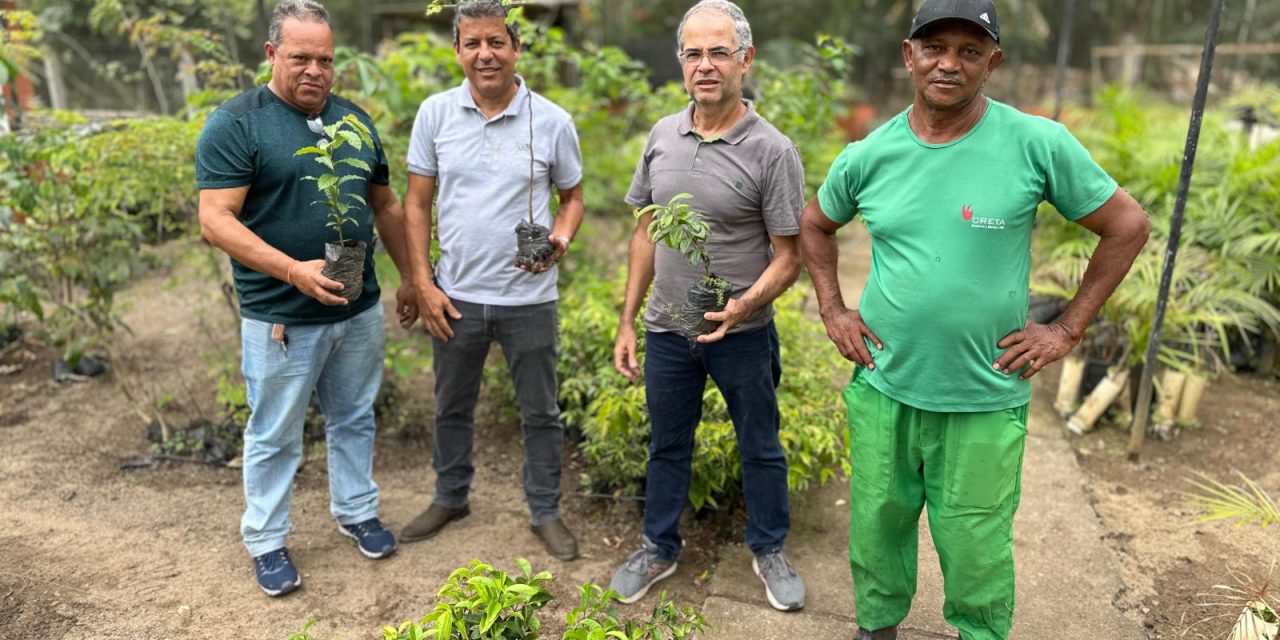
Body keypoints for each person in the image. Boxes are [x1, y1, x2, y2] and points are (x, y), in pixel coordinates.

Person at [798, 1, 1151, 638]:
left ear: (994, 61)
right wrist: (832, 309)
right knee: (877, 526)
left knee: (977, 544)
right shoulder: (869, 154)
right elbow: (815, 225)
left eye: (969, 50)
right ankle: (876, 626)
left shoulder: (1035, 142)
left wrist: (1067, 327)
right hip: (885, 382)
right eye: (935, 47)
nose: (949, 63)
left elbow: (1127, 224)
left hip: (984, 392)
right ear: (909, 56)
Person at [196, 0, 418, 598]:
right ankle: (267, 541)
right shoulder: (237, 123)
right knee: (274, 433)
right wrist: (293, 270)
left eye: (325, 59)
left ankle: (356, 510)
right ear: (272, 55)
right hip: (282, 317)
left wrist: (412, 279)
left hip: (357, 307)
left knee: (354, 416)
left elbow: (387, 206)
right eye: (301, 58)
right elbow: (216, 220)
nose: (315, 70)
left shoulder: (354, 123)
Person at [609, 0, 807, 612]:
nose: (705, 65)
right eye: (693, 53)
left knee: (760, 443)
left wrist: (743, 306)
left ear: (745, 60)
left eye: (719, 52)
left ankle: (769, 547)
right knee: (667, 444)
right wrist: (627, 320)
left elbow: (789, 256)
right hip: (668, 330)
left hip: (742, 333)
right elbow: (646, 232)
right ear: (681, 62)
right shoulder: (662, 135)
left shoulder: (773, 151)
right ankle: (658, 547)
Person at [398, 0, 586, 561]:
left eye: (496, 42)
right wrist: (422, 281)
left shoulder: (551, 120)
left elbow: (573, 199)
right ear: (457, 50)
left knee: (540, 412)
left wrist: (561, 238)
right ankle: (451, 496)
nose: (485, 54)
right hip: (454, 294)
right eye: (473, 43)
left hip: (529, 298)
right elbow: (415, 204)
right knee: (451, 405)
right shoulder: (434, 114)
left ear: (516, 48)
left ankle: (546, 511)